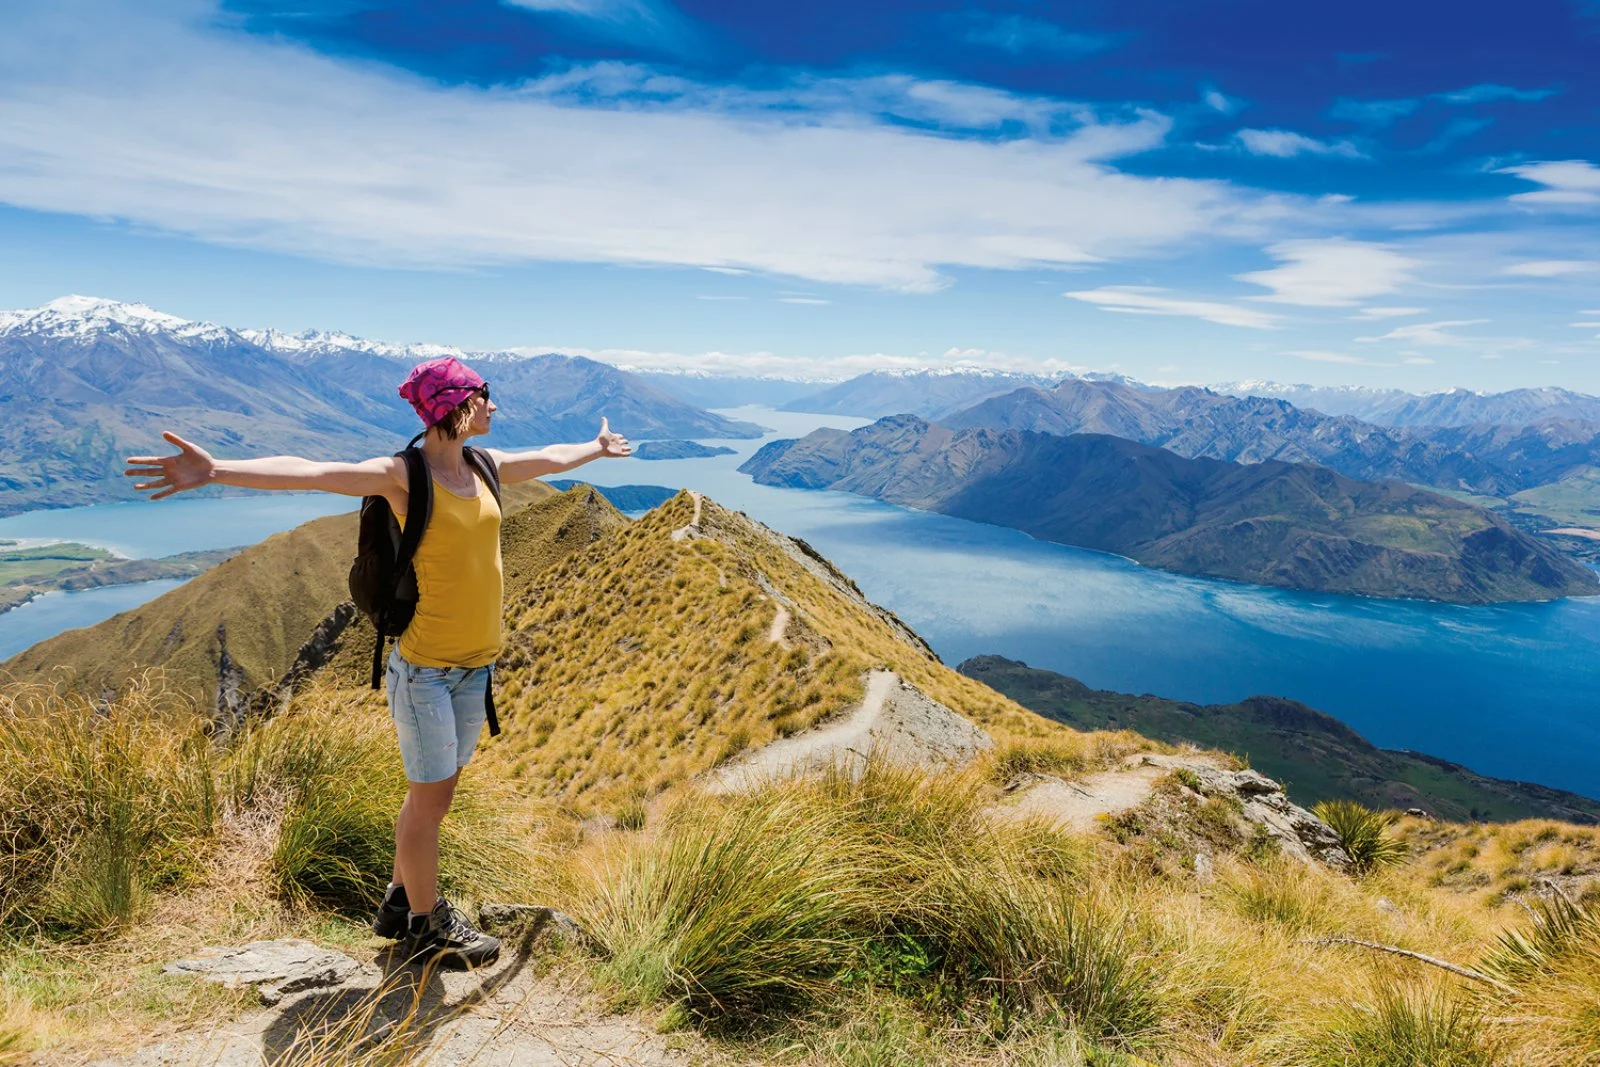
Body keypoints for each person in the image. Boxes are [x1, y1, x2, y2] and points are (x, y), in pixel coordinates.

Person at [125, 355, 631, 967]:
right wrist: (217, 469)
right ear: (458, 404)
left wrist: (596, 448)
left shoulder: (484, 466)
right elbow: (312, 473)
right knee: (432, 804)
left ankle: (398, 899)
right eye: (487, 396)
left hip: (476, 669)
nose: (495, 408)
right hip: (426, 672)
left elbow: (551, 458)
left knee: (428, 799)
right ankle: (425, 924)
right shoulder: (402, 477)